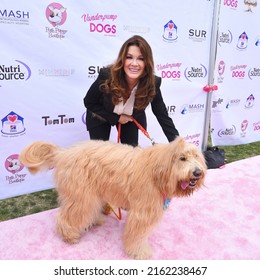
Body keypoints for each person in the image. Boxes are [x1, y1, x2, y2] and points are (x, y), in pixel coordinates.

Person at [83, 35, 179, 147]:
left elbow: (162, 114)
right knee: (99, 154)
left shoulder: (152, 83)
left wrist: (178, 144)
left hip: (130, 118)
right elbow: (89, 102)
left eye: (141, 58)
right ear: (123, 60)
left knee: (131, 156)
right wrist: (117, 118)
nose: (134, 63)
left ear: (147, 62)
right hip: (101, 115)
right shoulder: (107, 75)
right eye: (129, 57)